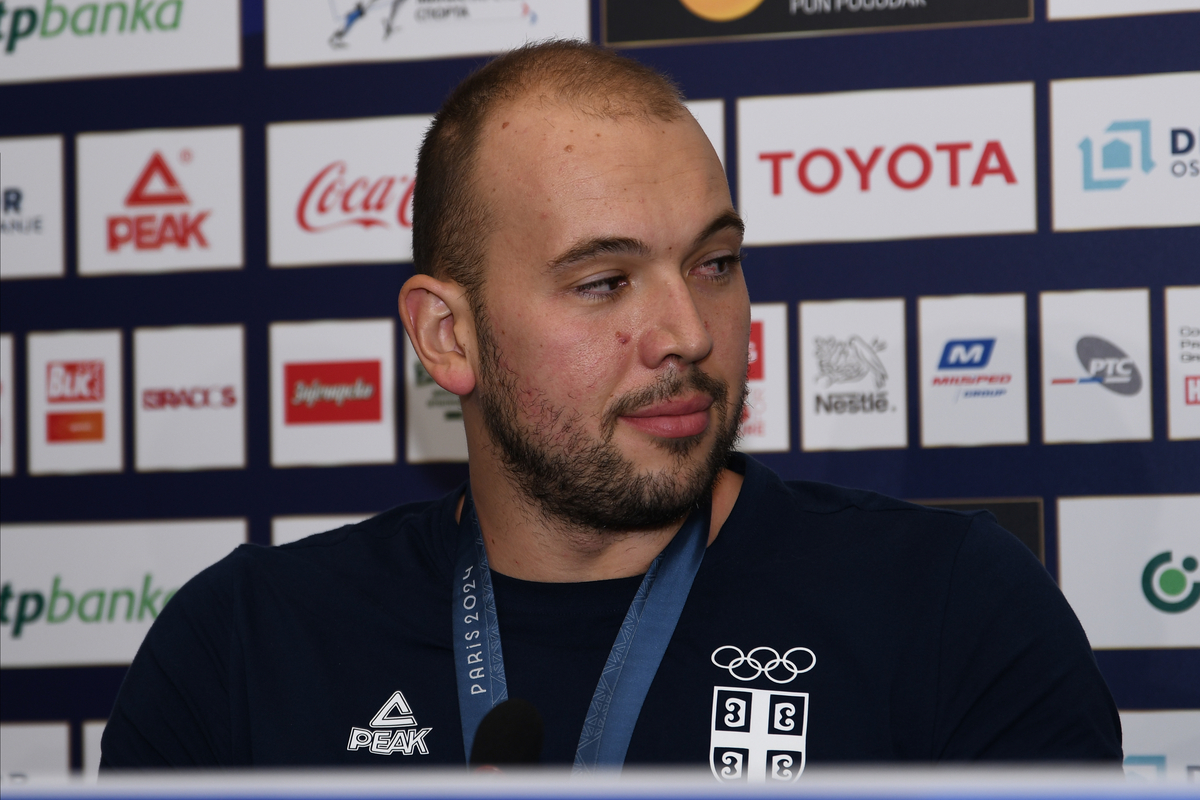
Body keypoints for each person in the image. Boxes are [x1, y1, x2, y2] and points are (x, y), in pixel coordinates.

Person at [101, 40, 1121, 777]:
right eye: (604, 281)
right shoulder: (240, 650)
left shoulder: (956, 613)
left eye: (714, 263)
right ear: (447, 337)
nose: (686, 329)